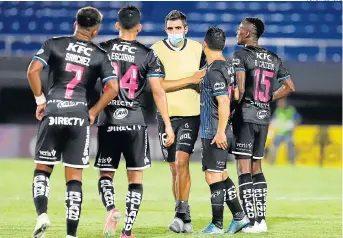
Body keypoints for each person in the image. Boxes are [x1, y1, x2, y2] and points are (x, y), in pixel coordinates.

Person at [28, 7, 119, 238]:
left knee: (42, 169)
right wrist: (94, 111)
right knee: (75, 178)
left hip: (54, 109)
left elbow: (33, 71)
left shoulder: (54, 44)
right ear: (96, 30)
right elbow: (113, 89)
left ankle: (42, 215)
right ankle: (71, 234)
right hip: (79, 115)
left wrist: (40, 100)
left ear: (74, 24)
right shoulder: (100, 54)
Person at [93, 5, 175, 238]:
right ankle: (127, 232)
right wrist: (168, 125)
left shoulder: (103, 49)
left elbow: (88, 81)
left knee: (106, 174)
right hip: (135, 122)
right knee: (135, 178)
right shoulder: (148, 54)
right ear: (139, 27)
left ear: (117, 25)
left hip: (108, 120)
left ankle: (112, 209)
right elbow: (158, 92)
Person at [231, 17, 295, 233]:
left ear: (248, 33)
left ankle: (251, 221)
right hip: (263, 117)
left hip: (245, 116)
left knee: (243, 168)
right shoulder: (273, 57)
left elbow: (239, 90)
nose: (237, 32)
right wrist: (267, 98)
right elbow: (289, 86)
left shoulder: (240, 55)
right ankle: (261, 220)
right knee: (257, 166)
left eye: (240, 29)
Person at [151, 10, 206, 233]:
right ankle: (185, 216)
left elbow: (205, 80)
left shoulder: (197, 49)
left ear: (186, 29)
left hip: (191, 115)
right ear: (166, 30)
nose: (174, 32)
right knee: (174, 168)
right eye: (170, 29)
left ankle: (179, 215)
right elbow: (158, 86)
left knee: (182, 162)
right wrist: (190, 80)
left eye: (178, 28)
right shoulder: (155, 50)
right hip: (166, 116)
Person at [198, 27, 249, 235]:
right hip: (220, 127)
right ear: (224, 45)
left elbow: (224, 99)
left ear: (204, 44)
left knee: (212, 175)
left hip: (214, 129)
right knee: (221, 173)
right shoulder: (227, 67)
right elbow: (236, 93)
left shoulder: (214, 70)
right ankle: (239, 217)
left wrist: (220, 131)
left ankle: (217, 224)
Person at [269, 98, 301, 164]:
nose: (279, 105)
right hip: (279, 133)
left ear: (284, 103)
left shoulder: (291, 110)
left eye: (280, 103)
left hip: (288, 133)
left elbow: (298, 118)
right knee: (274, 147)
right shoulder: (278, 110)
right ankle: (271, 162)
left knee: (290, 148)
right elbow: (273, 121)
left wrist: (294, 124)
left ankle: (292, 162)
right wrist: (272, 126)